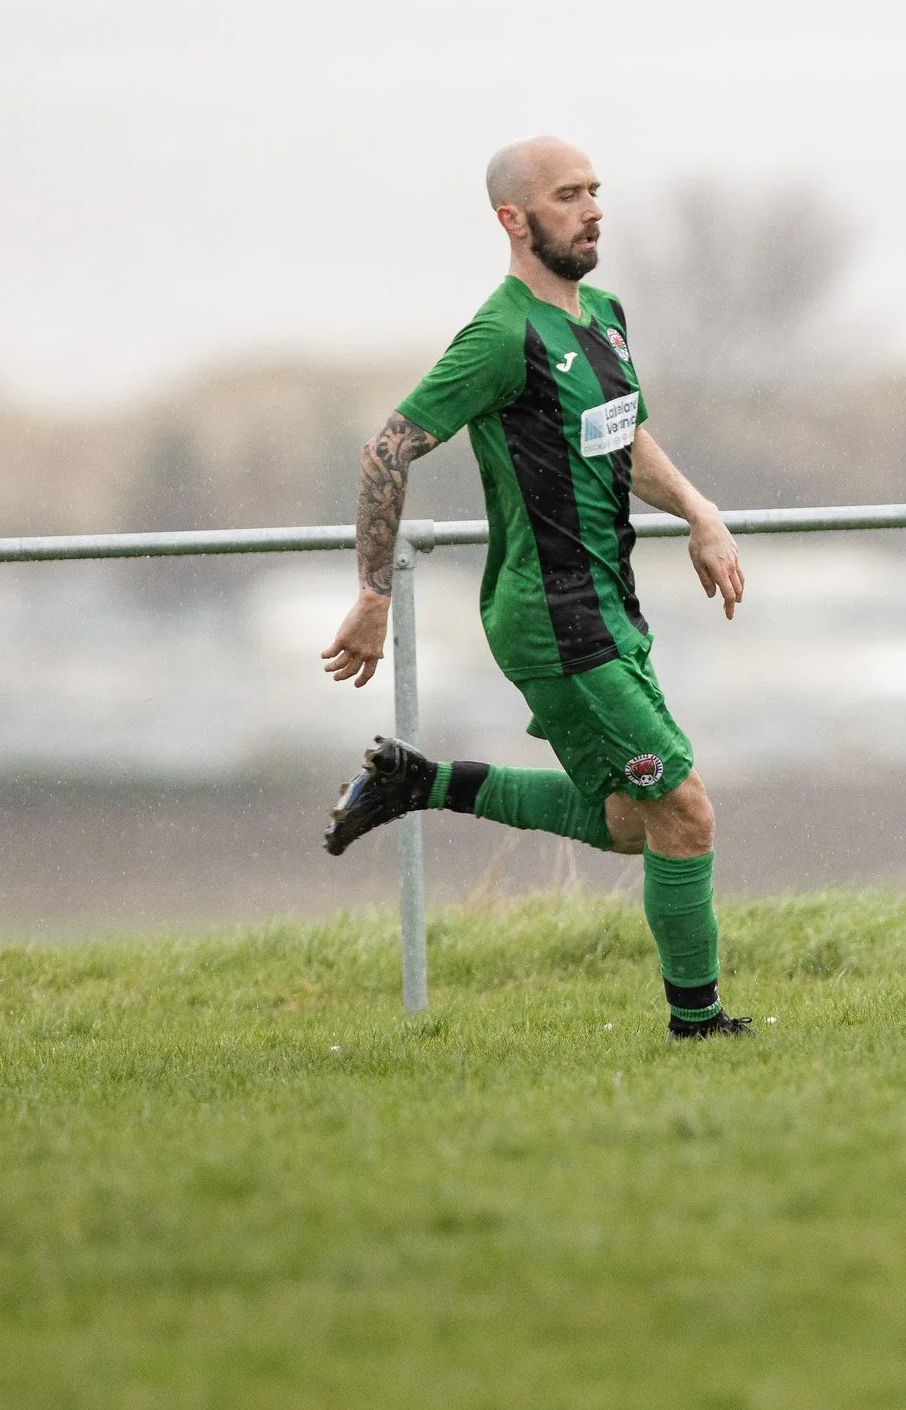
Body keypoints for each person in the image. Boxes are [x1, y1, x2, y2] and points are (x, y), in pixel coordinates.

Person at [318, 136, 754, 1041]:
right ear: (513, 220)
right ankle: (700, 1028)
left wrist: (700, 513)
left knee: (634, 821)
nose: (593, 209)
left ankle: (418, 781)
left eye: (595, 191)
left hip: (606, 607)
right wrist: (372, 595)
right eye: (567, 196)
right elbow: (387, 449)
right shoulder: (500, 336)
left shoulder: (603, 314)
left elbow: (624, 441)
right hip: (551, 618)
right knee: (686, 809)